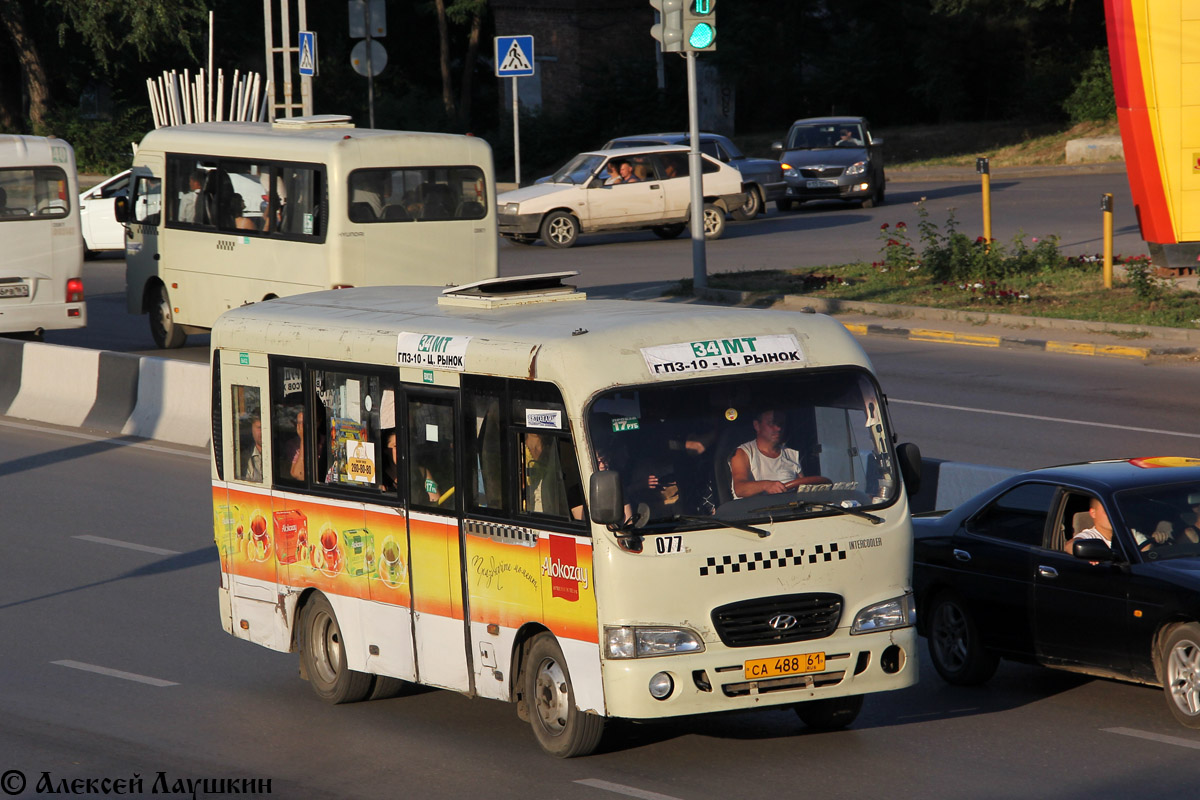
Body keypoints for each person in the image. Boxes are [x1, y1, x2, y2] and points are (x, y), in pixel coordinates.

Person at [729, 409, 822, 499]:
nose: (778, 428)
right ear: (757, 426)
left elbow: (803, 489)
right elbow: (740, 489)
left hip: (790, 511)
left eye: (781, 424)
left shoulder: (792, 454)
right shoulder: (743, 452)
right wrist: (766, 485)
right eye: (771, 423)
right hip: (754, 513)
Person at [242, 414, 263, 482]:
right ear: (252, 429)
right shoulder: (244, 458)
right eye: (259, 428)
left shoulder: (280, 456)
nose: (263, 432)